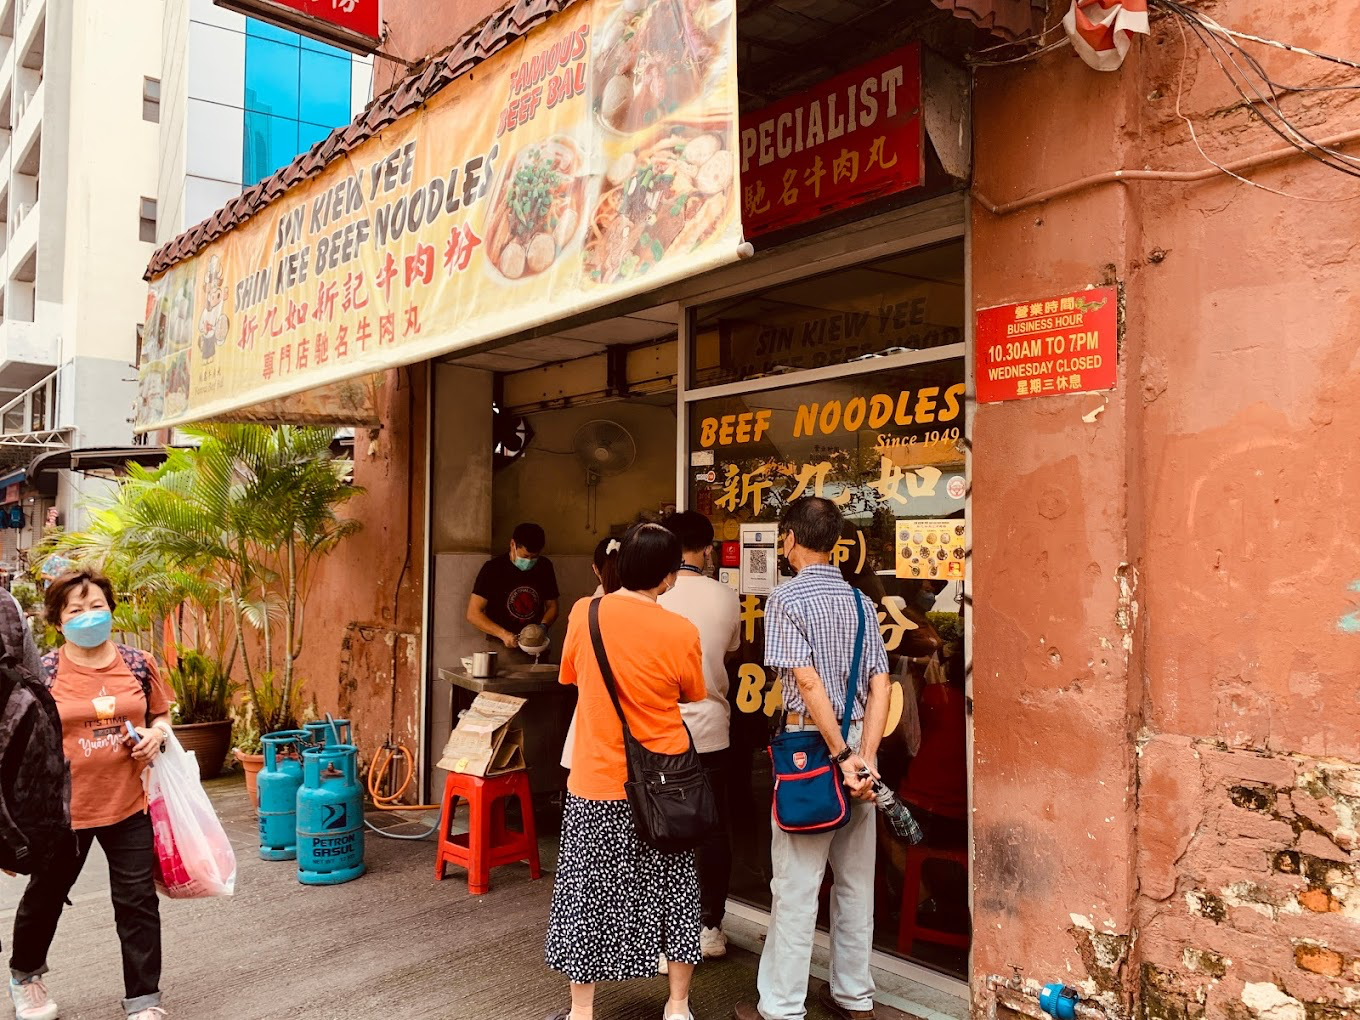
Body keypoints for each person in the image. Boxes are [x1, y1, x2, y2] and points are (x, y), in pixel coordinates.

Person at [734, 497, 892, 1020]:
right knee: (854, 881)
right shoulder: (861, 602)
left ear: (790, 540)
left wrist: (843, 754)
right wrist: (865, 756)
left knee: (797, 884)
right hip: (857, 754)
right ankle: (854, 995)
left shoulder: (786, 599)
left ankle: (781, 1006)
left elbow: (804, 679)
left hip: (811, 749)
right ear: (835, 542)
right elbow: (880, 683)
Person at [545, 524, 706, 1020]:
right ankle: (677, 1006)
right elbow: (692, 693)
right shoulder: (681, 630)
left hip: (595, 779)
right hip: (665, 785)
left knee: (586, 894)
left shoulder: (584, 612)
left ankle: (581, 1011)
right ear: (667, 576)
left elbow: (568, 675)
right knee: (676, 889)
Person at [8, 568, 174, 1020]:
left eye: (96, 605)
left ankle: (144, 1000)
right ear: (58, 622)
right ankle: (25, 977)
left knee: (137, 900)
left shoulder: (138, 662)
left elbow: (160, 715)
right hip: (62, 812)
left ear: (111, 611)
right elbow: (16, 741)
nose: (87, 616)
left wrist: (157, 736)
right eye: (75, 610)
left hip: (128, 802)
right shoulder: (42, 671)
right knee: (45, 897)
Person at [659, 510, 740, 961]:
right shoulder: (725, 596)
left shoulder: (652, 596)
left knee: (658, 826)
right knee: (712, 830)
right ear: (708, 550)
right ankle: (710, 926)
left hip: (660, 731)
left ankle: (661, 928)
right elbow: (730, 652)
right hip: (711, 730)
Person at [560, 535, 622, 770]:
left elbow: (570, 675)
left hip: (592, 721)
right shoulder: (651, 610)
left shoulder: (583, 610)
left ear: (596, 569)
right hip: (637, 727)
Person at [467, 522, 560, 653]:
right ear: (512, 545)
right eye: (525, 556)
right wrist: (503, 634)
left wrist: (542, 628)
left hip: (536, 646)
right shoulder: (493, 569)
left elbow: (552, 606)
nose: (529, 561)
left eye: (534, 557)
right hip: (501, 647)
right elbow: (473, 614)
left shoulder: (544, 567)